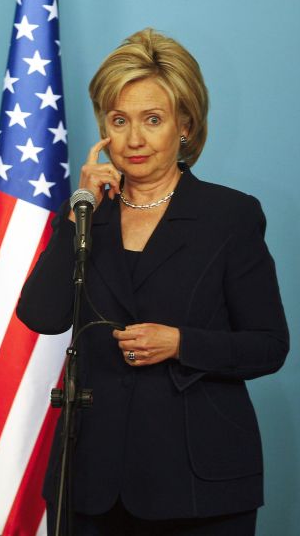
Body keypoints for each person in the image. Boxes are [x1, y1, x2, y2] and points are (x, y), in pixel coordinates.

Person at [16, 28, 288, 535]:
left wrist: (182, 343)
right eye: (119, 121)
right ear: (104, 129)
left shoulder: (230, 217)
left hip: (196, 484)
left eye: (153, 120)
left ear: (184, 125)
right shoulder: (86, 214)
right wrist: (79, 211)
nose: (134, 139)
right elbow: (42, 315)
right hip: (91, 481)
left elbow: (269, 347)